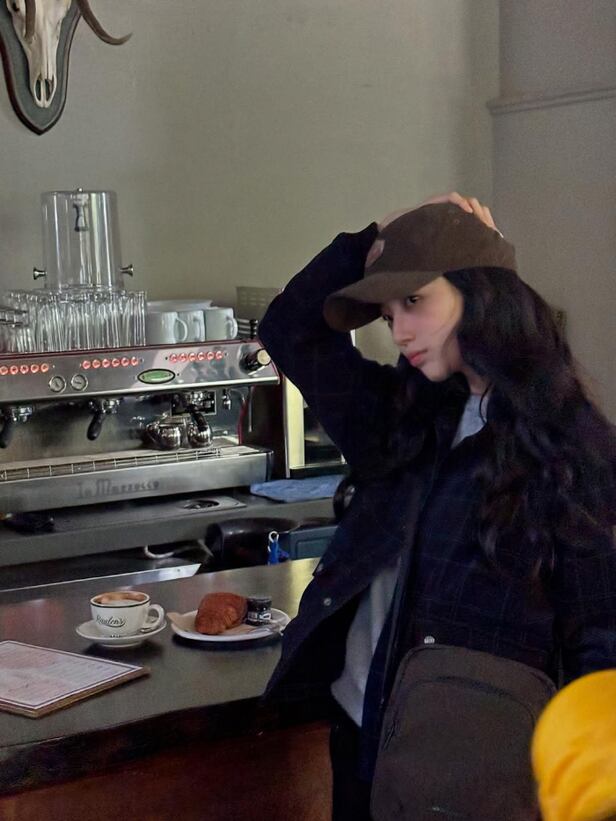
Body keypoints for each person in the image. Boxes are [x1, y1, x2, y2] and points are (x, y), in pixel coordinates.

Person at [258, 193, 616, 819]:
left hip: (468, 769)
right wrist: (380, 234)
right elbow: (290, 328)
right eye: (388, 313)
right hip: (361, 734)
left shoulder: (569, 451)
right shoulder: (401, 418)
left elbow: (600, 639)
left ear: (480, 293)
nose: (398, 331)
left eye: (414, 301)